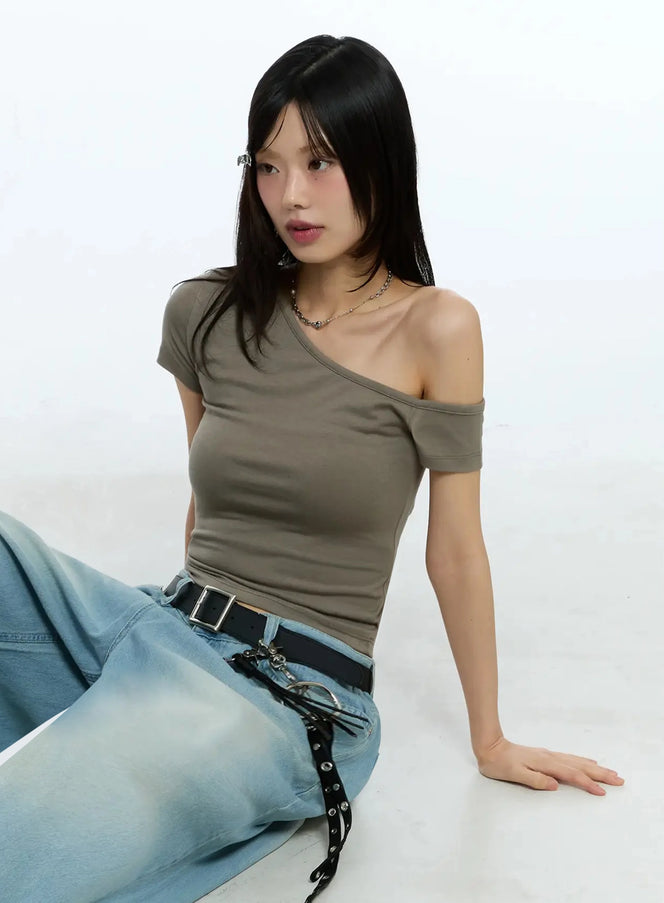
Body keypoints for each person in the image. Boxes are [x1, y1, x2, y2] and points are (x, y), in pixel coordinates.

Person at [0, 34, 624, 903]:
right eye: (268, 165)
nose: (290, 193)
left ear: (380, 161)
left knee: (32, 827)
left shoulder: (437, 329)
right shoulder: (205, 310)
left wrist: (490, 738)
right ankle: (130, 717)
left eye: (319, 162)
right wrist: (152, 657)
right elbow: (208, 503)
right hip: (163, 628)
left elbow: (455, 550)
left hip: (286, 693)